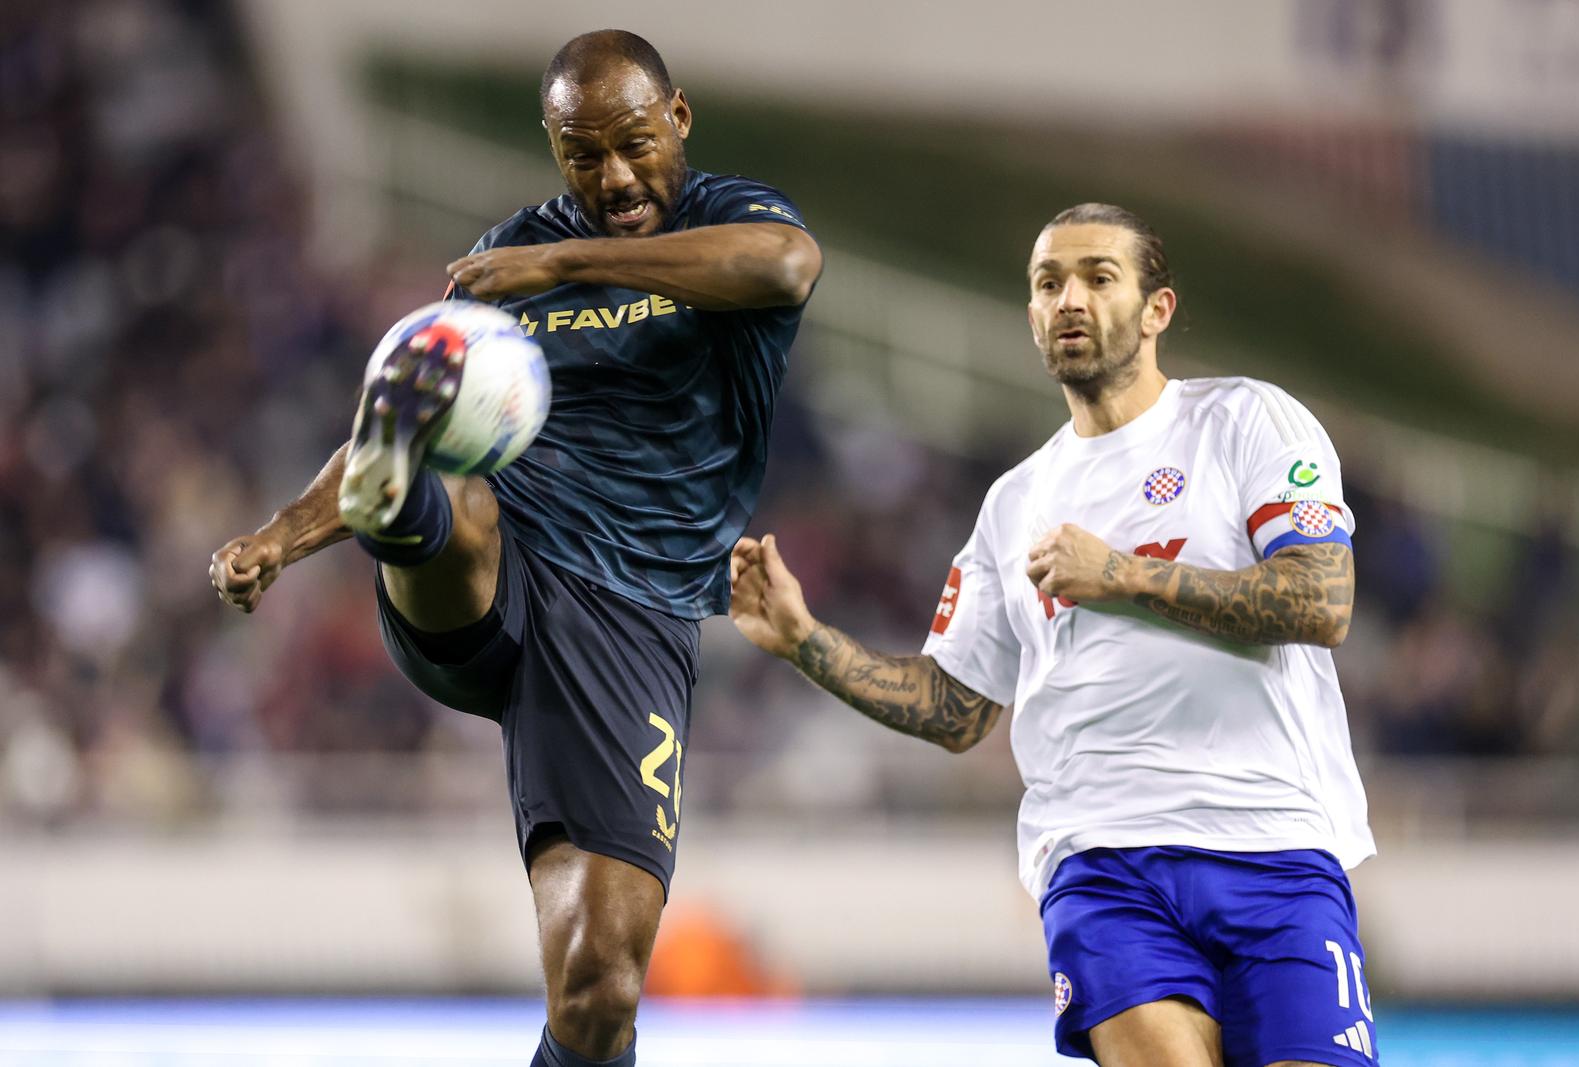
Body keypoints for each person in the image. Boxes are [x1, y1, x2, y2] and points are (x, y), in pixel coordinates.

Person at [210, 29, 821, 1067]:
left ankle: (410, 499)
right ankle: (402, 507)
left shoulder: (729, 219)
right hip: (494, 562)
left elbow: (786, 266)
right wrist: (277, 537)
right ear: (553, 148)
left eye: (634, 142)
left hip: (630, 615)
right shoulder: (505, 261)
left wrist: (567, 259)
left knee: (598, 989)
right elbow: (402, 398)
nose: (614, 175)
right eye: (583, 155)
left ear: (677, 119)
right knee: (440, 466)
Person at [730, 203, 1378, 1067]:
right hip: (1103, 861)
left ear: (1158, 309)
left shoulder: (1247, 422)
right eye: (1047, 283)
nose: (1069, 298)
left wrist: (1124, 575)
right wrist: (805, 636)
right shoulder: (1015, 502)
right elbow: (955, 706)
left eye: (1098, 278)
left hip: (1277, 845)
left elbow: (1321, 599)